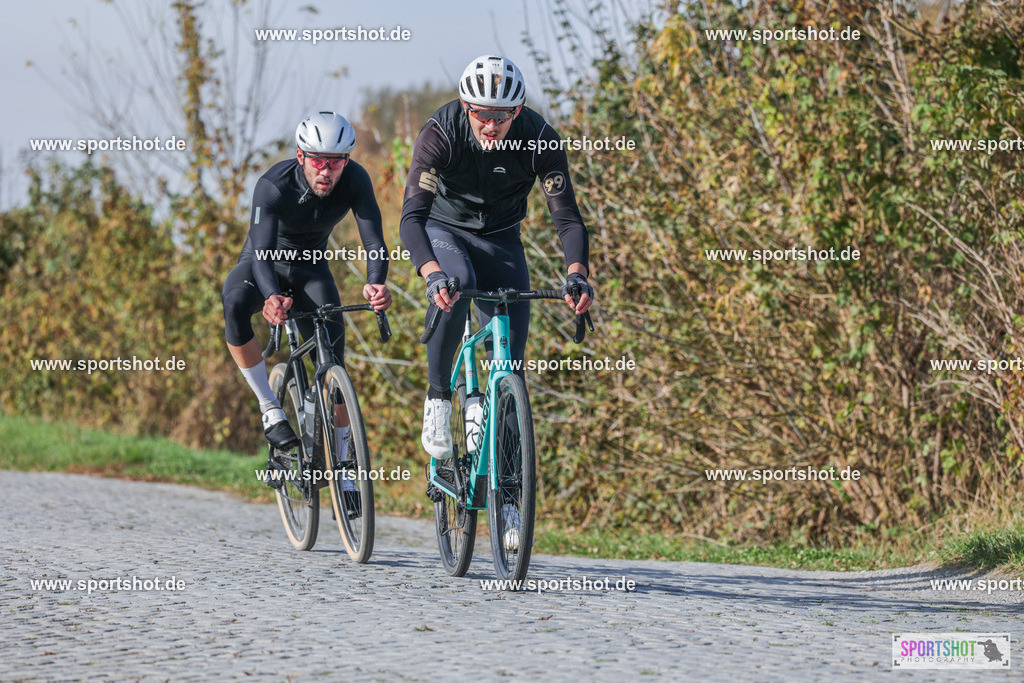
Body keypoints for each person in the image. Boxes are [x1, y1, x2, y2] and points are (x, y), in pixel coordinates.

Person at [399, 55, 595, 466]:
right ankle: (438, 398)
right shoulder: (441, 133)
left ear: (517, 111)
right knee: (456, 282)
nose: (491, 125)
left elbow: (568, 219)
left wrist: (577, 275)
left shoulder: (539, 138)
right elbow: (412, 217)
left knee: (510, 365)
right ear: (466, 106)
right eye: (482, 114)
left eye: (502, 116)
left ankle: (509, 501)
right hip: (444, 231)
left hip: (502, 239)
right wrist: (431, 273)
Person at [222, 111, 392, 499]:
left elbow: (374, 242)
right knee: (233, 302)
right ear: (301, 156)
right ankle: (269, 406)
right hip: (262, 263)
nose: (327, 171)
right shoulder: (272, 184)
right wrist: (270, 298)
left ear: (347, 160)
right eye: (318, 160)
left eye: (336, 162)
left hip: (311, 270)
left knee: (334, 368)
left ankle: (345, 467)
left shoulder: (356, 180)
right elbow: (261, 253)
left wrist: (375, 283)